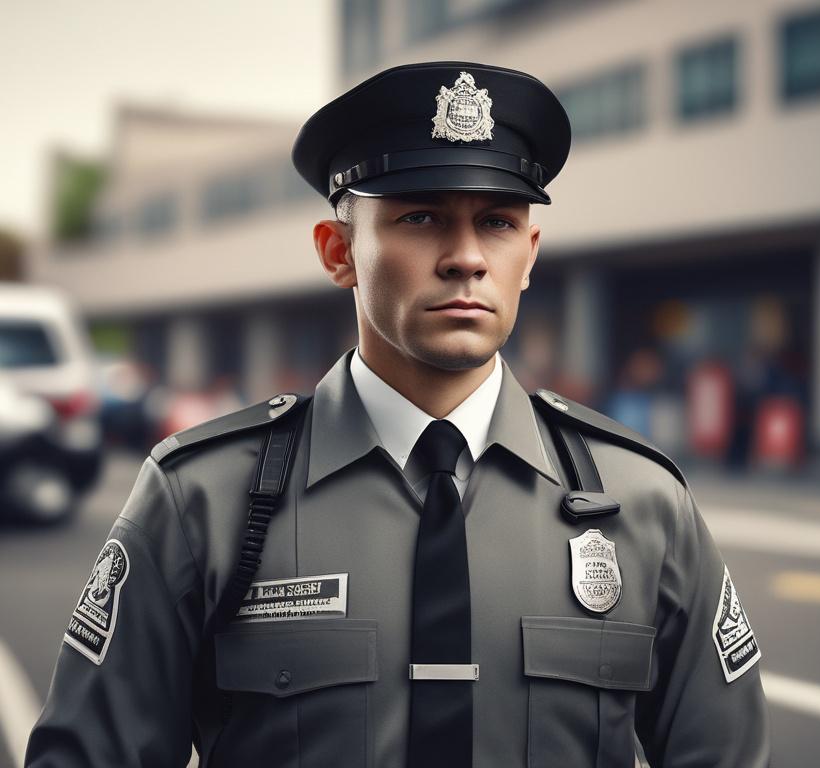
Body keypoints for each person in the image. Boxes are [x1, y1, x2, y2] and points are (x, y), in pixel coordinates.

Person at [26, 62, 769, 767]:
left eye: (499, 223)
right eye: (421, 218)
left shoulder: (641, 504)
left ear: (532, 253)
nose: (467, 258)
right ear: (338, 251)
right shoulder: (204, 499)